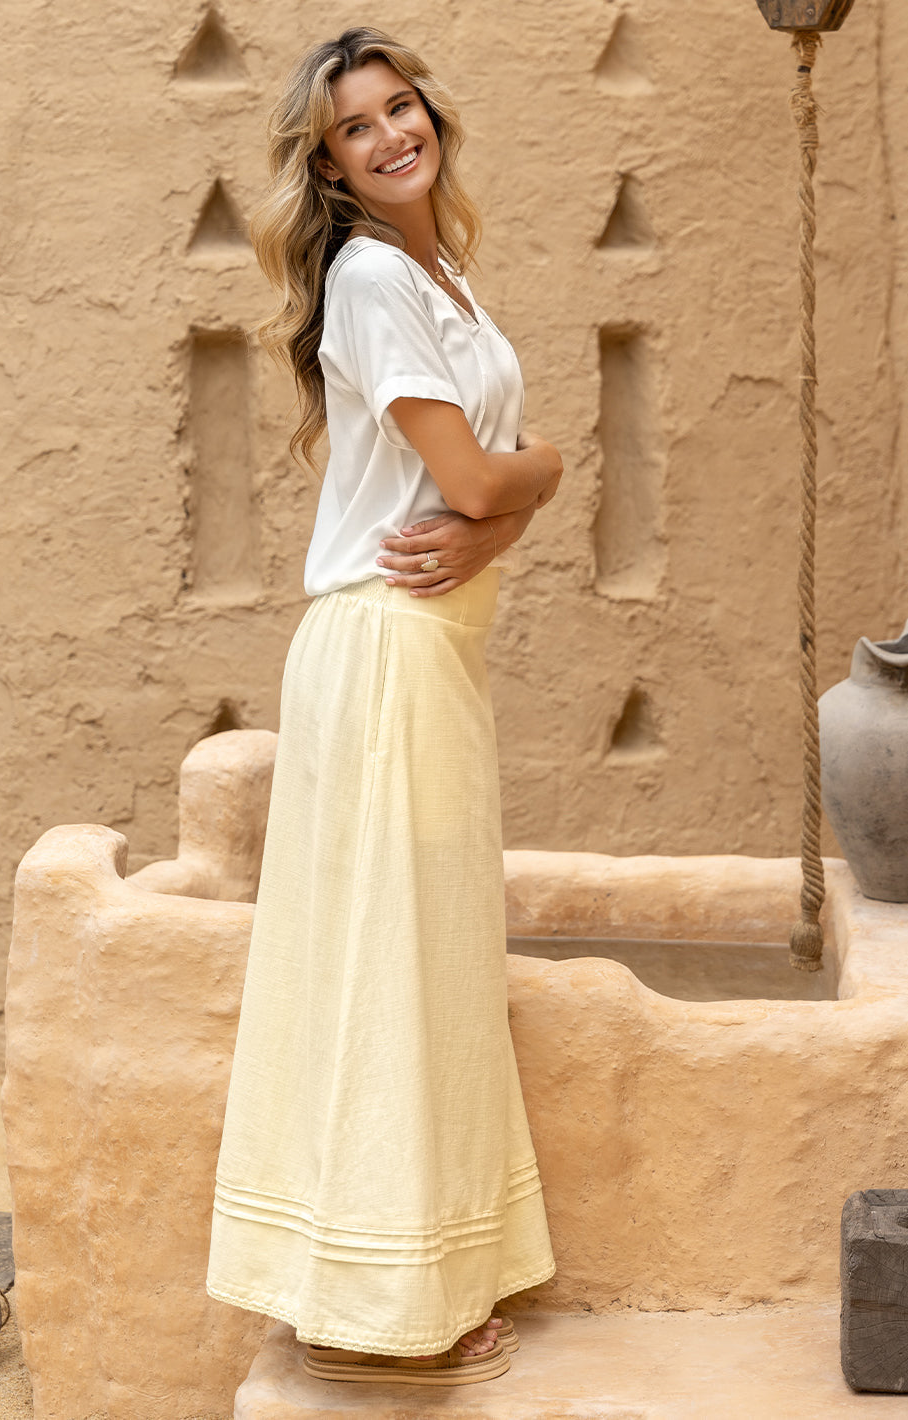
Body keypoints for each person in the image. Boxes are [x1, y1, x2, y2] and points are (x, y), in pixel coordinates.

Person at [205, 27, 561, 1387]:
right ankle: (380, 1290)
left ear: (428, 119)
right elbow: (470, 486)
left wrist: (503, 503)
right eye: (357, 127)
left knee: (424, 955)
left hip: (429, 645)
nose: (389, 134)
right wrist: (547, 467)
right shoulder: (366, 280)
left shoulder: (438, 275)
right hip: (383, 653)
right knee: (383, 964)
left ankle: (409, 1260)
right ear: (333, 164)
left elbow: (468, 511)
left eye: (400, 107)